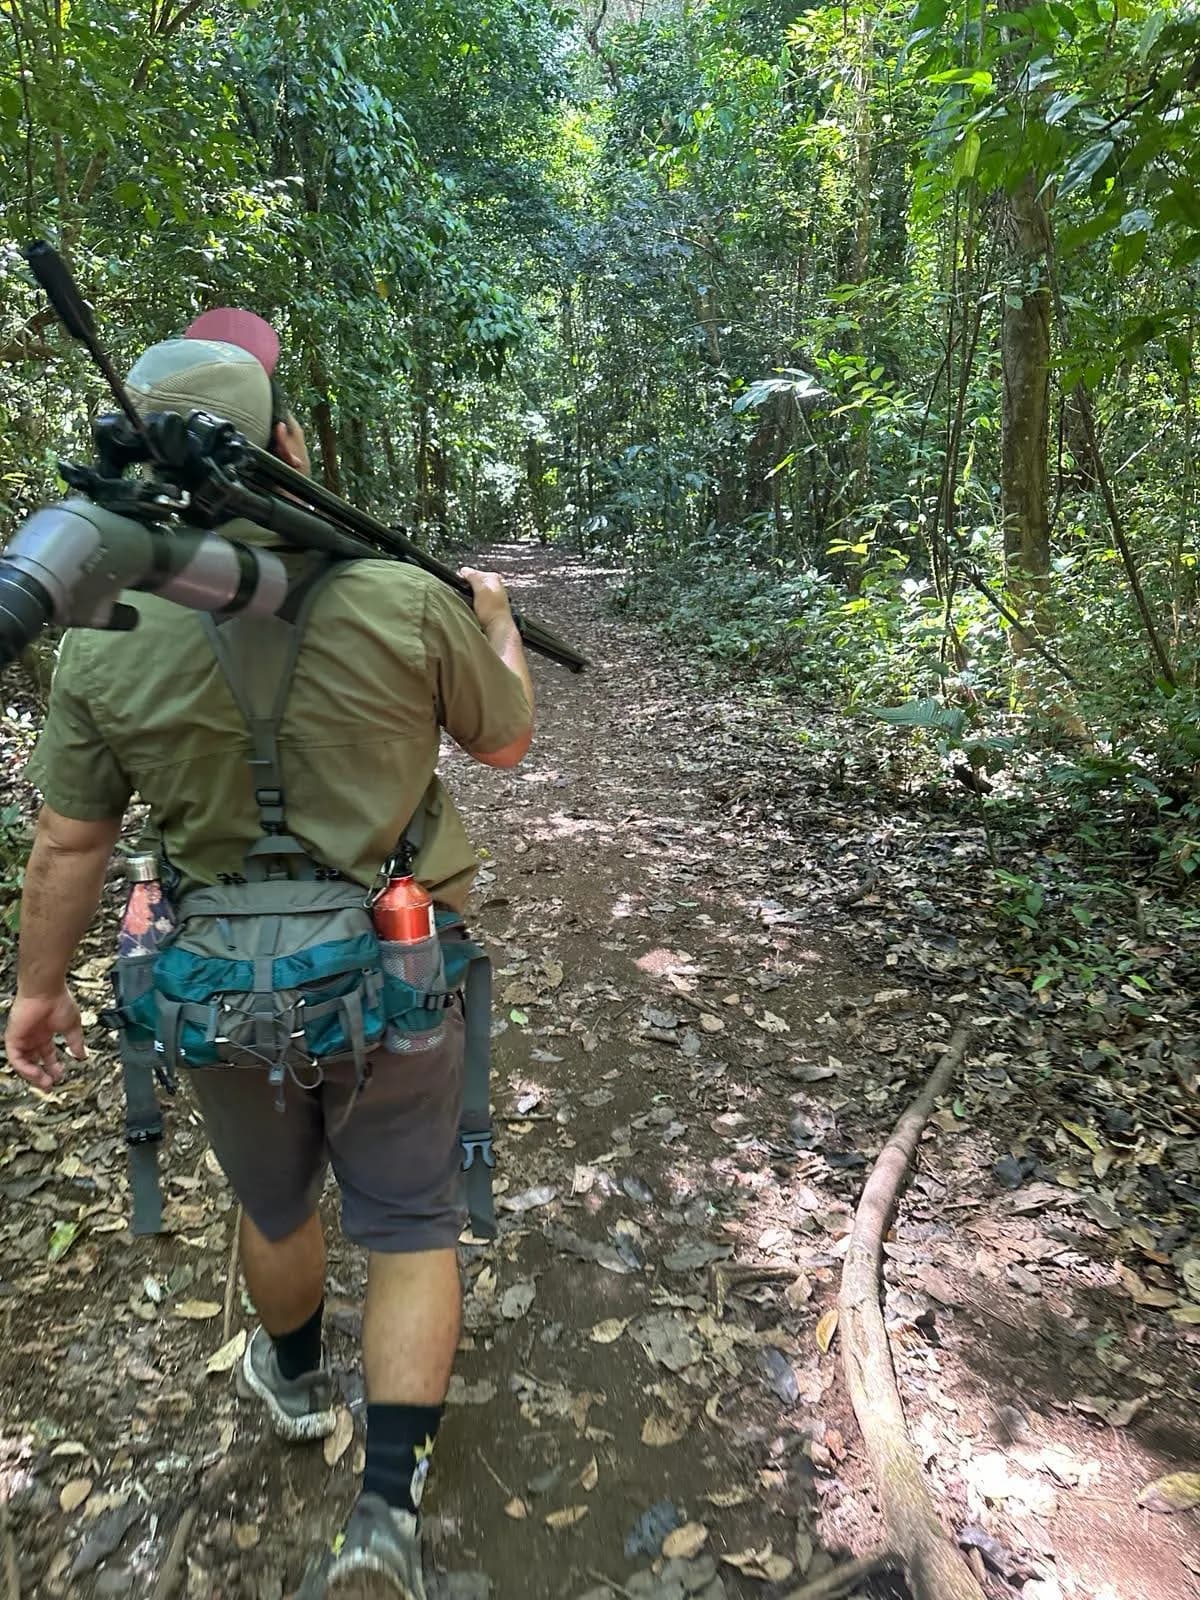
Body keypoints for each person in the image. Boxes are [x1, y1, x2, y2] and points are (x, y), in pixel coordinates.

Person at [2, 318, 535, 1600]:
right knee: (408, 1222)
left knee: (276, 1201)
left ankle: (294, 1381)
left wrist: (36, 989)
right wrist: (499, 623)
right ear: (288, 449)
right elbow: (506, 738)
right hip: (399, 963)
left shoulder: (103, 634)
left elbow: (70, 843)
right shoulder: (402, 597)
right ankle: (384, 1518)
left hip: (219, 983)